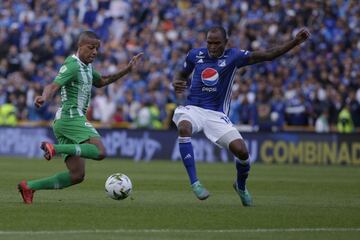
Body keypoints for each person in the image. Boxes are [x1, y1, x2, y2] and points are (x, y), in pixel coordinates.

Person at [172, 26, 310, 206]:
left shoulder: (234, 57)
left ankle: (241, 186)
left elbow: (268, 55)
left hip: (216, 114)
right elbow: (181, 74)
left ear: (226, 43)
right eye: (209, 43)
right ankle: (195, 183)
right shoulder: (194, 55)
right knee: (183, 127)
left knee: (242, 152)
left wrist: (294, 42)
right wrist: (177, 82)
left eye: (216, 43)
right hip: (194, 109)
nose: (212, 47)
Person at [18, 31, 143, 204]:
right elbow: (53, 85)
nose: (95, 52)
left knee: (77, 175)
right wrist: (44, 97)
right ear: (80, 47)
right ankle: (54, 148)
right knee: (100, 151)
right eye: (91, 48)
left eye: (97, 49)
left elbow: (103, 81)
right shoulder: (73, 65)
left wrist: (127, 70)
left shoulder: (87, 67)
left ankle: (29, 186)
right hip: (71, 117)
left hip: (65, 121)